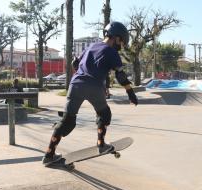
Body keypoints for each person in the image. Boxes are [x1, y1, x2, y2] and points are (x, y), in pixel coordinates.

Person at [42, 21, 138, 166]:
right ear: (116, 37)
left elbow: (76, 64)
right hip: (94, 86)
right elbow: (120, 75)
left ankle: (49, 155)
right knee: (104, 114)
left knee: (67, 121)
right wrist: (130, 93)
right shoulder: (111, 51)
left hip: (75, 85)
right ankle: (101, 144)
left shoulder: (91, 46)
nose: (121, 45)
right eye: (122, 41)